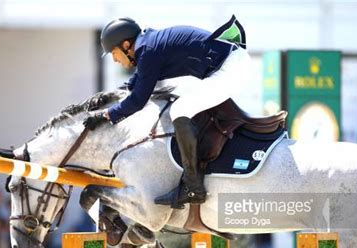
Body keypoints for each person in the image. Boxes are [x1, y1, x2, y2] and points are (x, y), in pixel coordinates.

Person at [83, 16, 255, 208]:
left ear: (126, 45)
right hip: (231, 64)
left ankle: (193, 186)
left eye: (113, 53)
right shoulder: (148, 48)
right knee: (184, 107)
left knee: (180, 109)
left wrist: (105, 116)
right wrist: (106, 102)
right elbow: (135, 84)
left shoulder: (148, 51)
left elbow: (138, 100)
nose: (114, 60)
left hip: (231, 68)